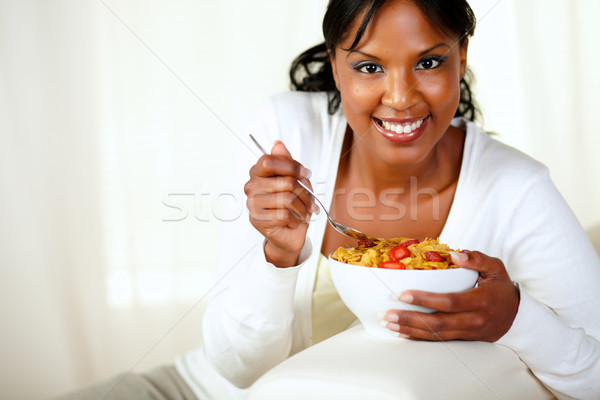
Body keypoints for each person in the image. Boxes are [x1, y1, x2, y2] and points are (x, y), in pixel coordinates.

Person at [54, 0, 600, 399]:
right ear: (336, 67)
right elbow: (238, 371)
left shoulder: (517, 189)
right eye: (368, 67)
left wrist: (516, 319)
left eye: (429, 62)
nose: (401, 97)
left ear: (462, 56)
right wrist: (277, 258)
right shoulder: (287, 133)